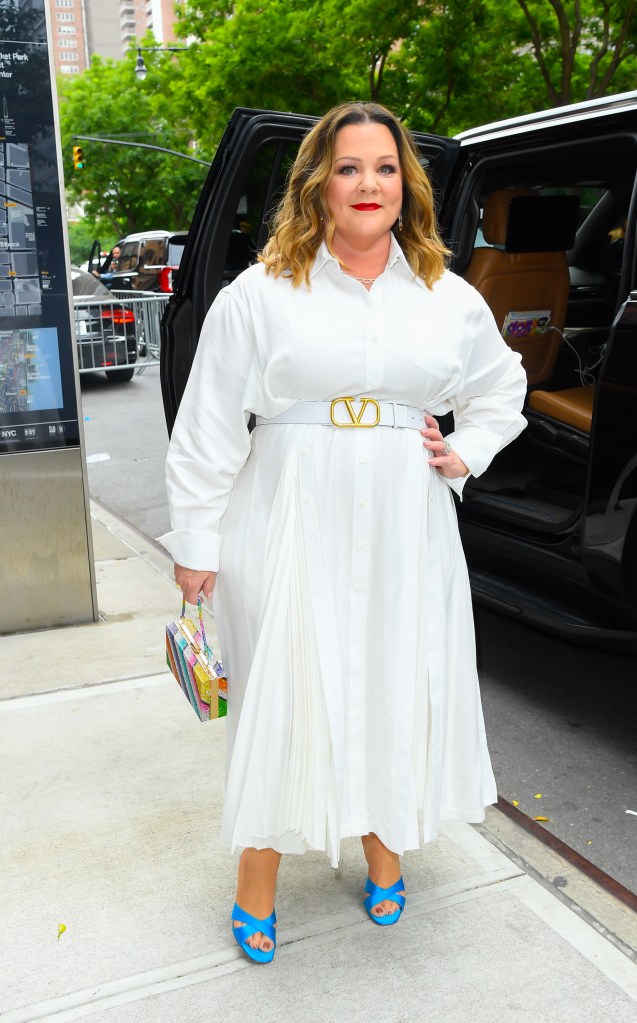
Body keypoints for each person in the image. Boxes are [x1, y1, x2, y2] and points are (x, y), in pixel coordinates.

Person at [159, 101, 527, 965]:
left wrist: (464, 449)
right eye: (350, 166)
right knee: (285, 690)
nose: (369, 183)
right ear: (318, 182)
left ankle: (383, 848)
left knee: (392, 679)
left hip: (408, 516)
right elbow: (209, 425)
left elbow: (501, 388)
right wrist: (194, 547)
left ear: (407, 187)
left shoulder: (448, 296)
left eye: (386, 168)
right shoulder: (260, 292)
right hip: (287, 509)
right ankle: (256, 882)